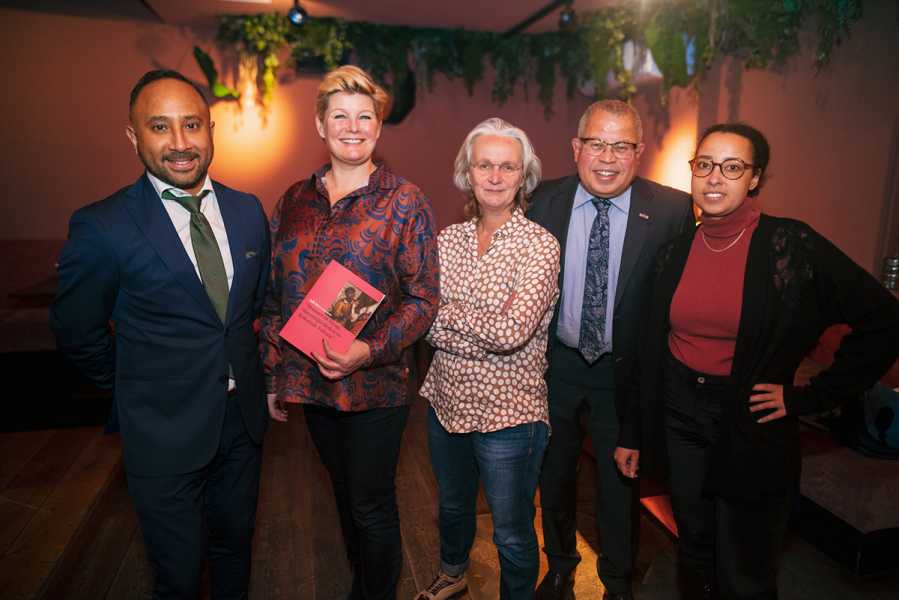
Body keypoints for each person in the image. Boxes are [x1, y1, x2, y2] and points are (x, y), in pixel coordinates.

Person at [616, 123, 899, 599]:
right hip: (681, 416)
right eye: (704, 165)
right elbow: (649, 348)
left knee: (745, 564)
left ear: (755, 178)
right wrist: (633, 431)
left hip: (753, 420)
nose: (714, 178)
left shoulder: (790, 246)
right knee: (695, 547)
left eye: (732, 167)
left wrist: (809, 396)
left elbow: (884, 320)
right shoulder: (674, 251)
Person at [51, 69, 271, 599]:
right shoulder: (102, 226)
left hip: (241, 428)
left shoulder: (247, 212)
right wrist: (136, 389)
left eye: (191, 125)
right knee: (177, 573)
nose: (179, 143)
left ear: (211, 129)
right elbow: (77, 331)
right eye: (159, 127)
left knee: (234, 552)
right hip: (161, 435)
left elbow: (251, 310)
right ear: (134, 136)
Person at [259, 65, 438, 600]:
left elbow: (425, 298)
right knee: (341, 493)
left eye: (365, 117)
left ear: (379, 129)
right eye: (340, 115)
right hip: (311, 384)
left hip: (375, 385)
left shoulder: (405, 201)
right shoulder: (292, 201)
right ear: (320, 124)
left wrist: (368, 349)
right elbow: (273, 296)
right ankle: (363, 577)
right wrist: (273, 374)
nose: (353, 126)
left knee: (370, 502)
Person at [528, 99, 695, 600]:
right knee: (552, 474)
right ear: (576, 148)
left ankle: (618, 582)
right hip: (556, 366)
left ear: (638, 152)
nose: (607, 156)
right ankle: (559, 564)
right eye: (597, 143)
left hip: (624, 376)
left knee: (619, 485)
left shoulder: (671, 210)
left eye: (621, 145)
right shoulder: (542, 201)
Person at [415, 118, 560, 600]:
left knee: (512, 530)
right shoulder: (446, 241)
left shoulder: (540, 246)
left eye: (507, 167)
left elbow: (513, 332)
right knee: (453, 508)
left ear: (524, 176)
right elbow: (425, 325)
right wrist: (470, 320)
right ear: (467, 172)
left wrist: (447, 314)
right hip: (446, 404)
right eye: (484, 165)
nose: (495, 176)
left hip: (511, 416)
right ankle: (452, 574)